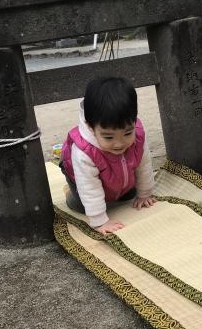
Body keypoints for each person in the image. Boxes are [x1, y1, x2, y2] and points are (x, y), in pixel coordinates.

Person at [60, 76, 156, 235]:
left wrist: (145, 194)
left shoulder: (137, 136)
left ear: (133, 120)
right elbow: (89, 187)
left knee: (129, 196)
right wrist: (100, 221)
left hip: (118, 176)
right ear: (91, 127)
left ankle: (119, 191)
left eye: (127, 133)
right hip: (82, 181)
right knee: (84, 206)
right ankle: (72, 197)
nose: (119, 143)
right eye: (108, 137)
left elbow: (143, 164)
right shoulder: (84, 152)